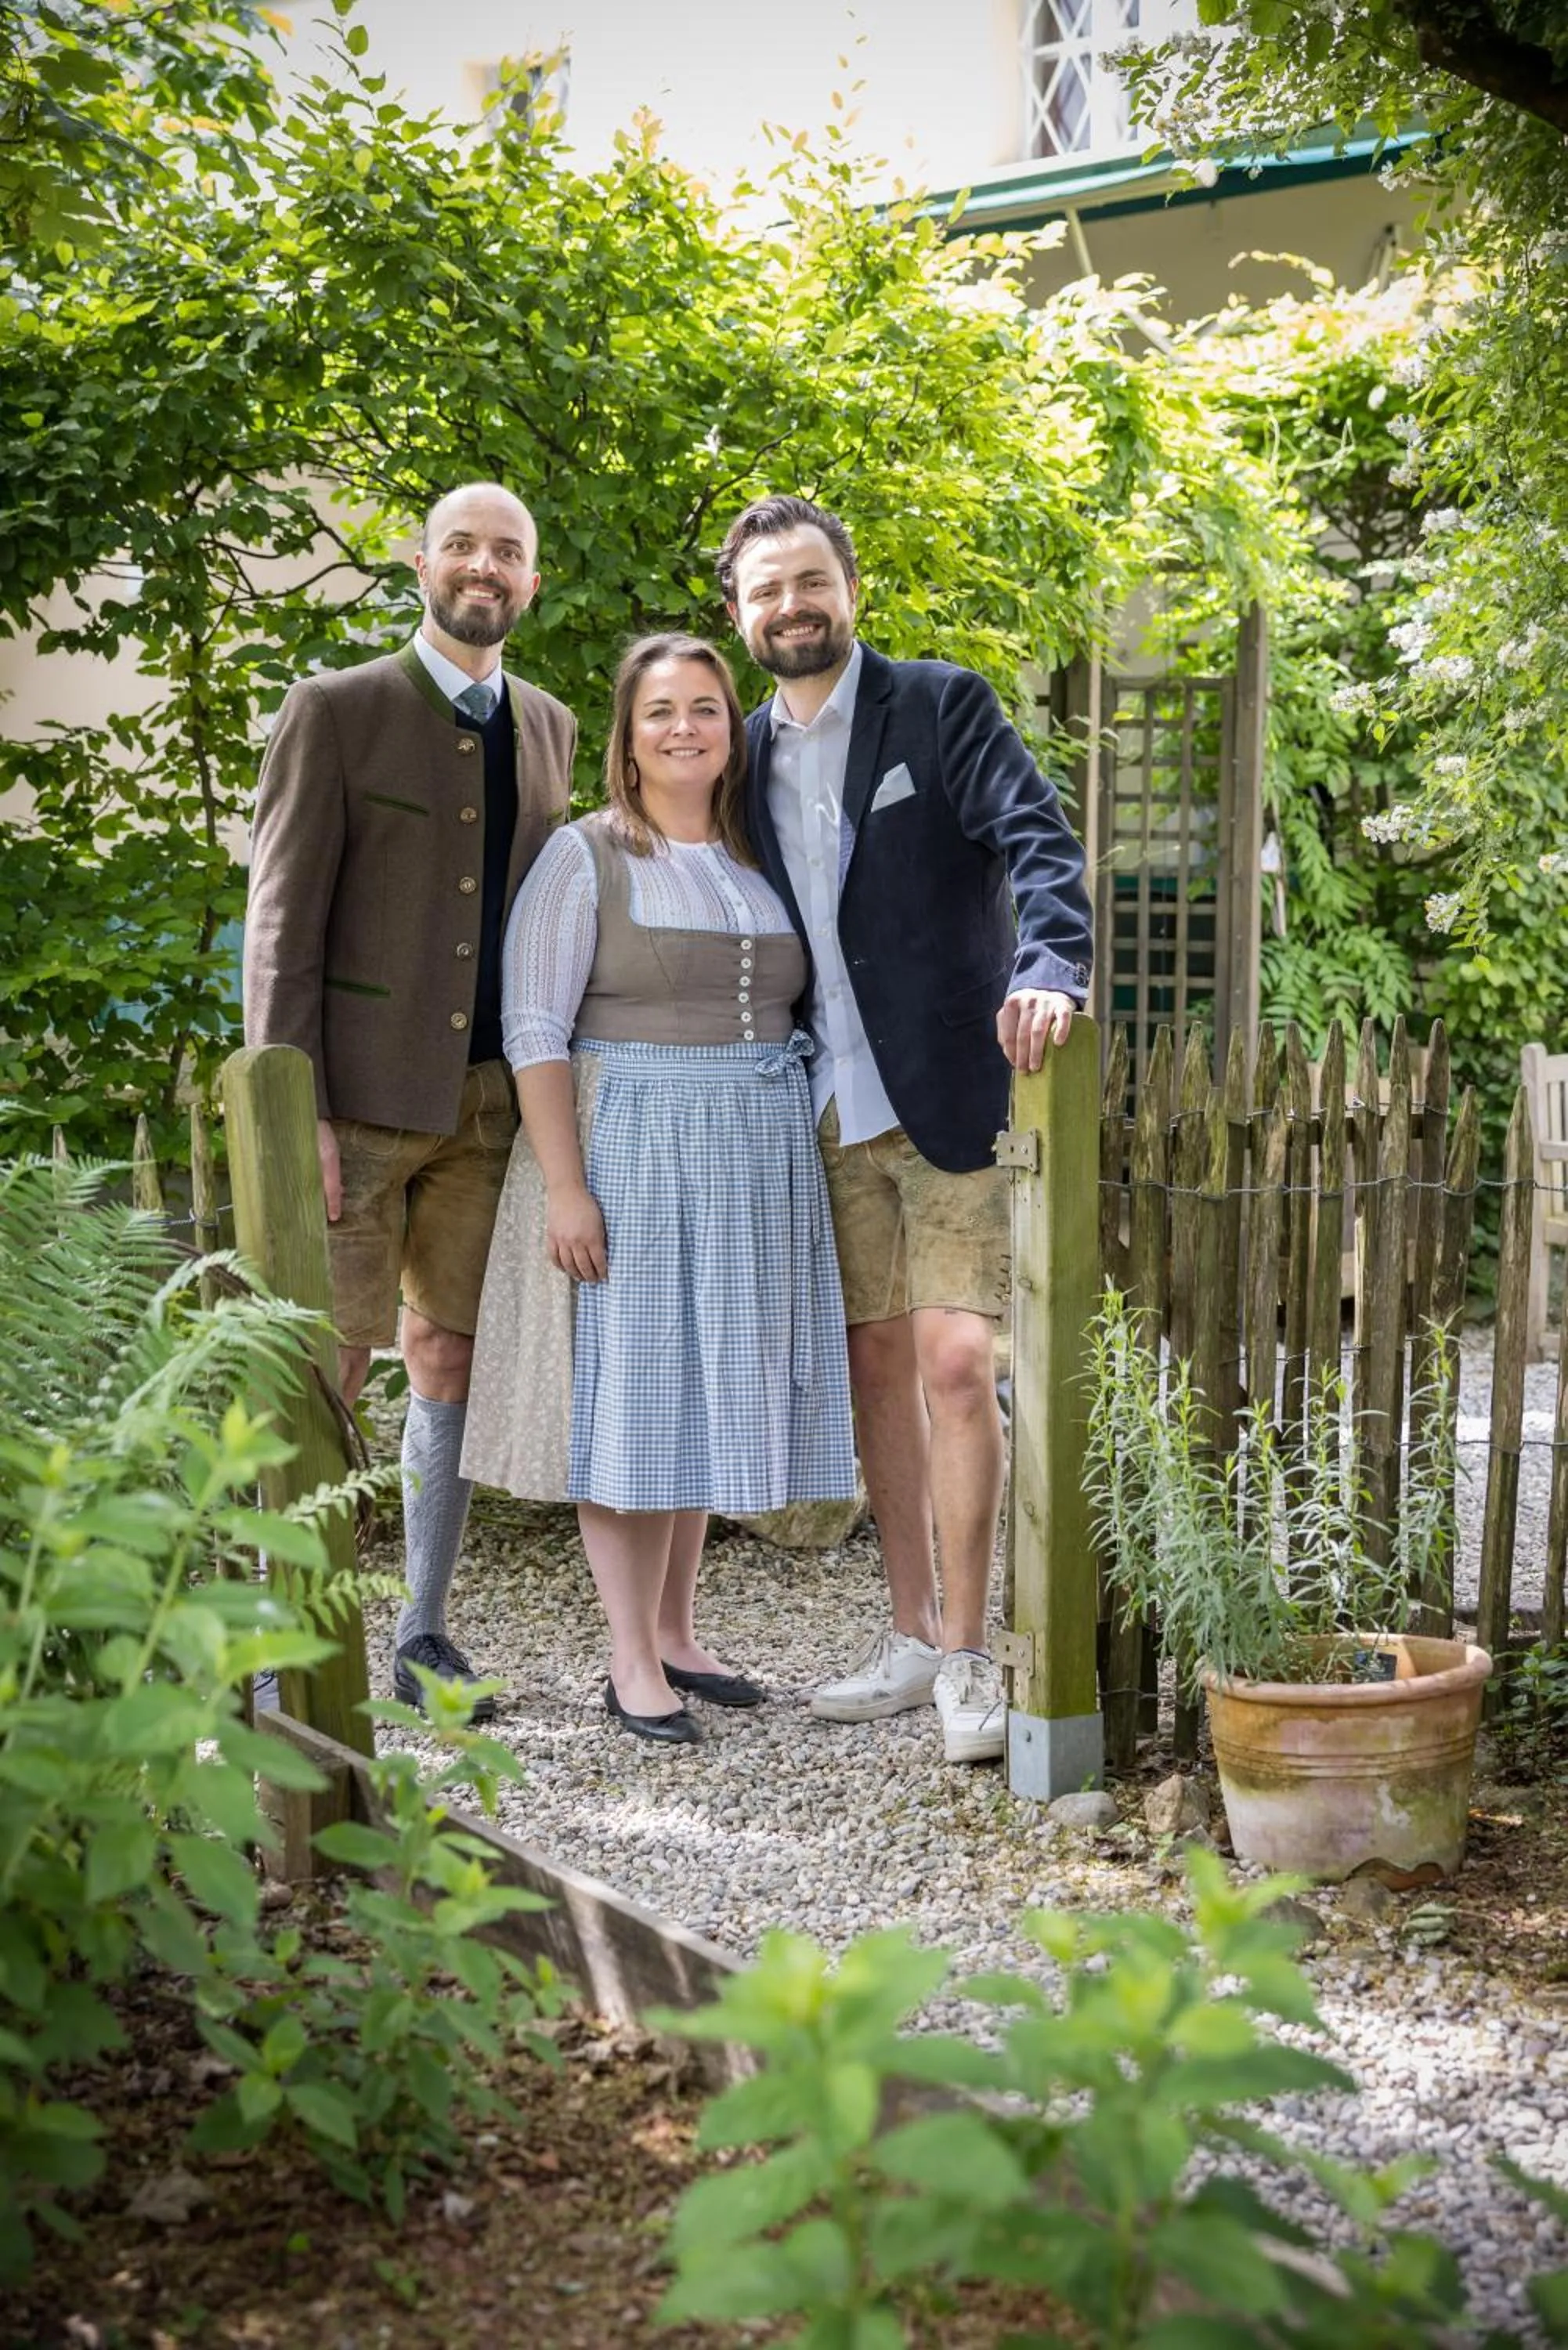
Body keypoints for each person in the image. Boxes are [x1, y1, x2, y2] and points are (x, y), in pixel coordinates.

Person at [717, 494, 1093, 1766]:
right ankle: (914, 1636)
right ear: (738, 614)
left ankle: (977, 1656)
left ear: (849, 588)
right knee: (875, 1373)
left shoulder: (938, 706)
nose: (791, 606)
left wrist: (1050, 963)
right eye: (766, 590)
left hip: (949, 1096)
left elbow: (1036, 842)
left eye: (809, 580)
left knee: (951, 1363)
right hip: (819, 1107)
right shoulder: (737, 756)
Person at [461, 634, 857, 1745]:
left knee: (702, 1386)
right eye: (659, 713)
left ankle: (680, 1633)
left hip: (753, 1146)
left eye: (705, 709)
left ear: (734, 731)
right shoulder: (585, 856)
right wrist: (564, 1187)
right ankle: (629, 1657)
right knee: (632, 1394)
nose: (684, 728)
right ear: (626, 740)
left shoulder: (755, 855)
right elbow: (533, 1027)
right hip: (631, 1138)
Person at [243, 482, 576, 1719]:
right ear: (420, 564)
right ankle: (286, 1650)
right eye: (461, 546)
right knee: (320, 1365)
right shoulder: (334, 710)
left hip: (488, 1115)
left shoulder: (548, 724)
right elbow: (279, 924)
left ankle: (424, 1635)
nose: (482, 567)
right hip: (357, 1112)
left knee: (450, 1357)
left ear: (530, 583)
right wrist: (295, 1116)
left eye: (507, 553)